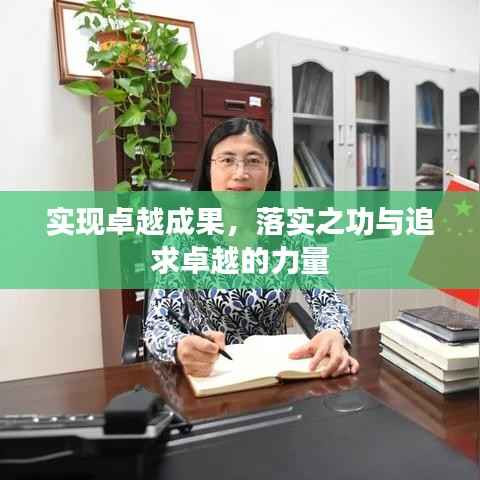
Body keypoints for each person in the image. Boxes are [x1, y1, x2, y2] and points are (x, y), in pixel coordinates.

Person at [145, 117, 360, 378]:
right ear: (209, 169)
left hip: (275, 374)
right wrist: (179, 347)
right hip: (210, 374)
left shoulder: (292, 233)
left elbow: (329, 300)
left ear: (269, 172)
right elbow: (157, 323)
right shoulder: (185, 236)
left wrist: (333, 332)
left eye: (253, 161)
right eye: (227, 160)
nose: (240, 173)